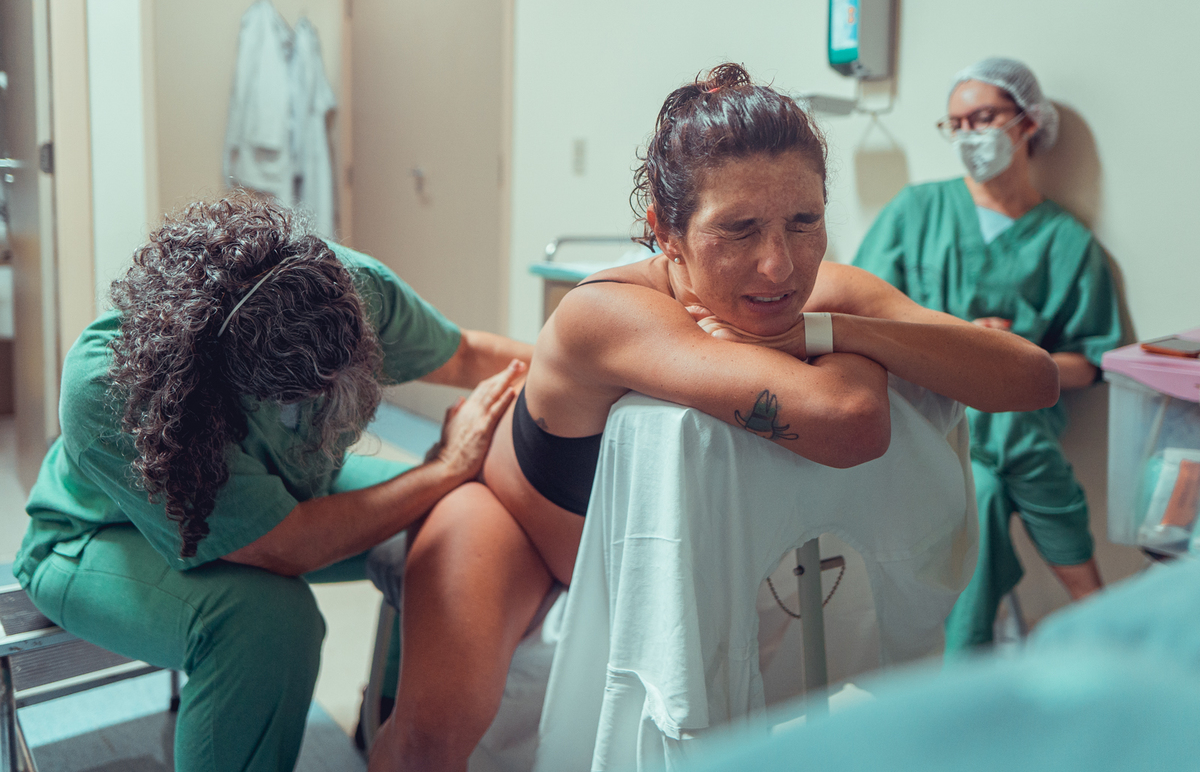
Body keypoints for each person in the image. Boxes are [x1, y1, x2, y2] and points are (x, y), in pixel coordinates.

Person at [368, 63, 1060, 772]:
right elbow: (851, 420)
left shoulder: (821, 293)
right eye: (739, 229)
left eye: (805, 220)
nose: (779, 266)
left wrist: (833, 332)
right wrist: (839, 339)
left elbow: (1031, 378)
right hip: (510, 515)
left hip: (633, 537)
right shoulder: (606, 313)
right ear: (664, 231)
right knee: (430, 739)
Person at [12, 194, 531, 772]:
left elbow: (465, 355)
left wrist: (584, 377)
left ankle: (391, 721)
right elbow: (288, 545)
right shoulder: (109, 384)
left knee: (455, 520)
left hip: (282, 492)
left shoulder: (347, 287)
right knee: (269, 624)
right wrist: (443, 467)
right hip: (97, 535)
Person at [852, 57, 1125, 654]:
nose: (970, 133)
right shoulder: (916, 211)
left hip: (996, 440)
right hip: (921, 424)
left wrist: (1016, 361)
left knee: (987, 478)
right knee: (1002, 446)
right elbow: (858, 314)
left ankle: (965, 660)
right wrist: (958, 346)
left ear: (1028, 122)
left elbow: (1095, 360)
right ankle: (1099, 608)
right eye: (956, 123)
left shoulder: (1068, 242)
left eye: (984, 117)